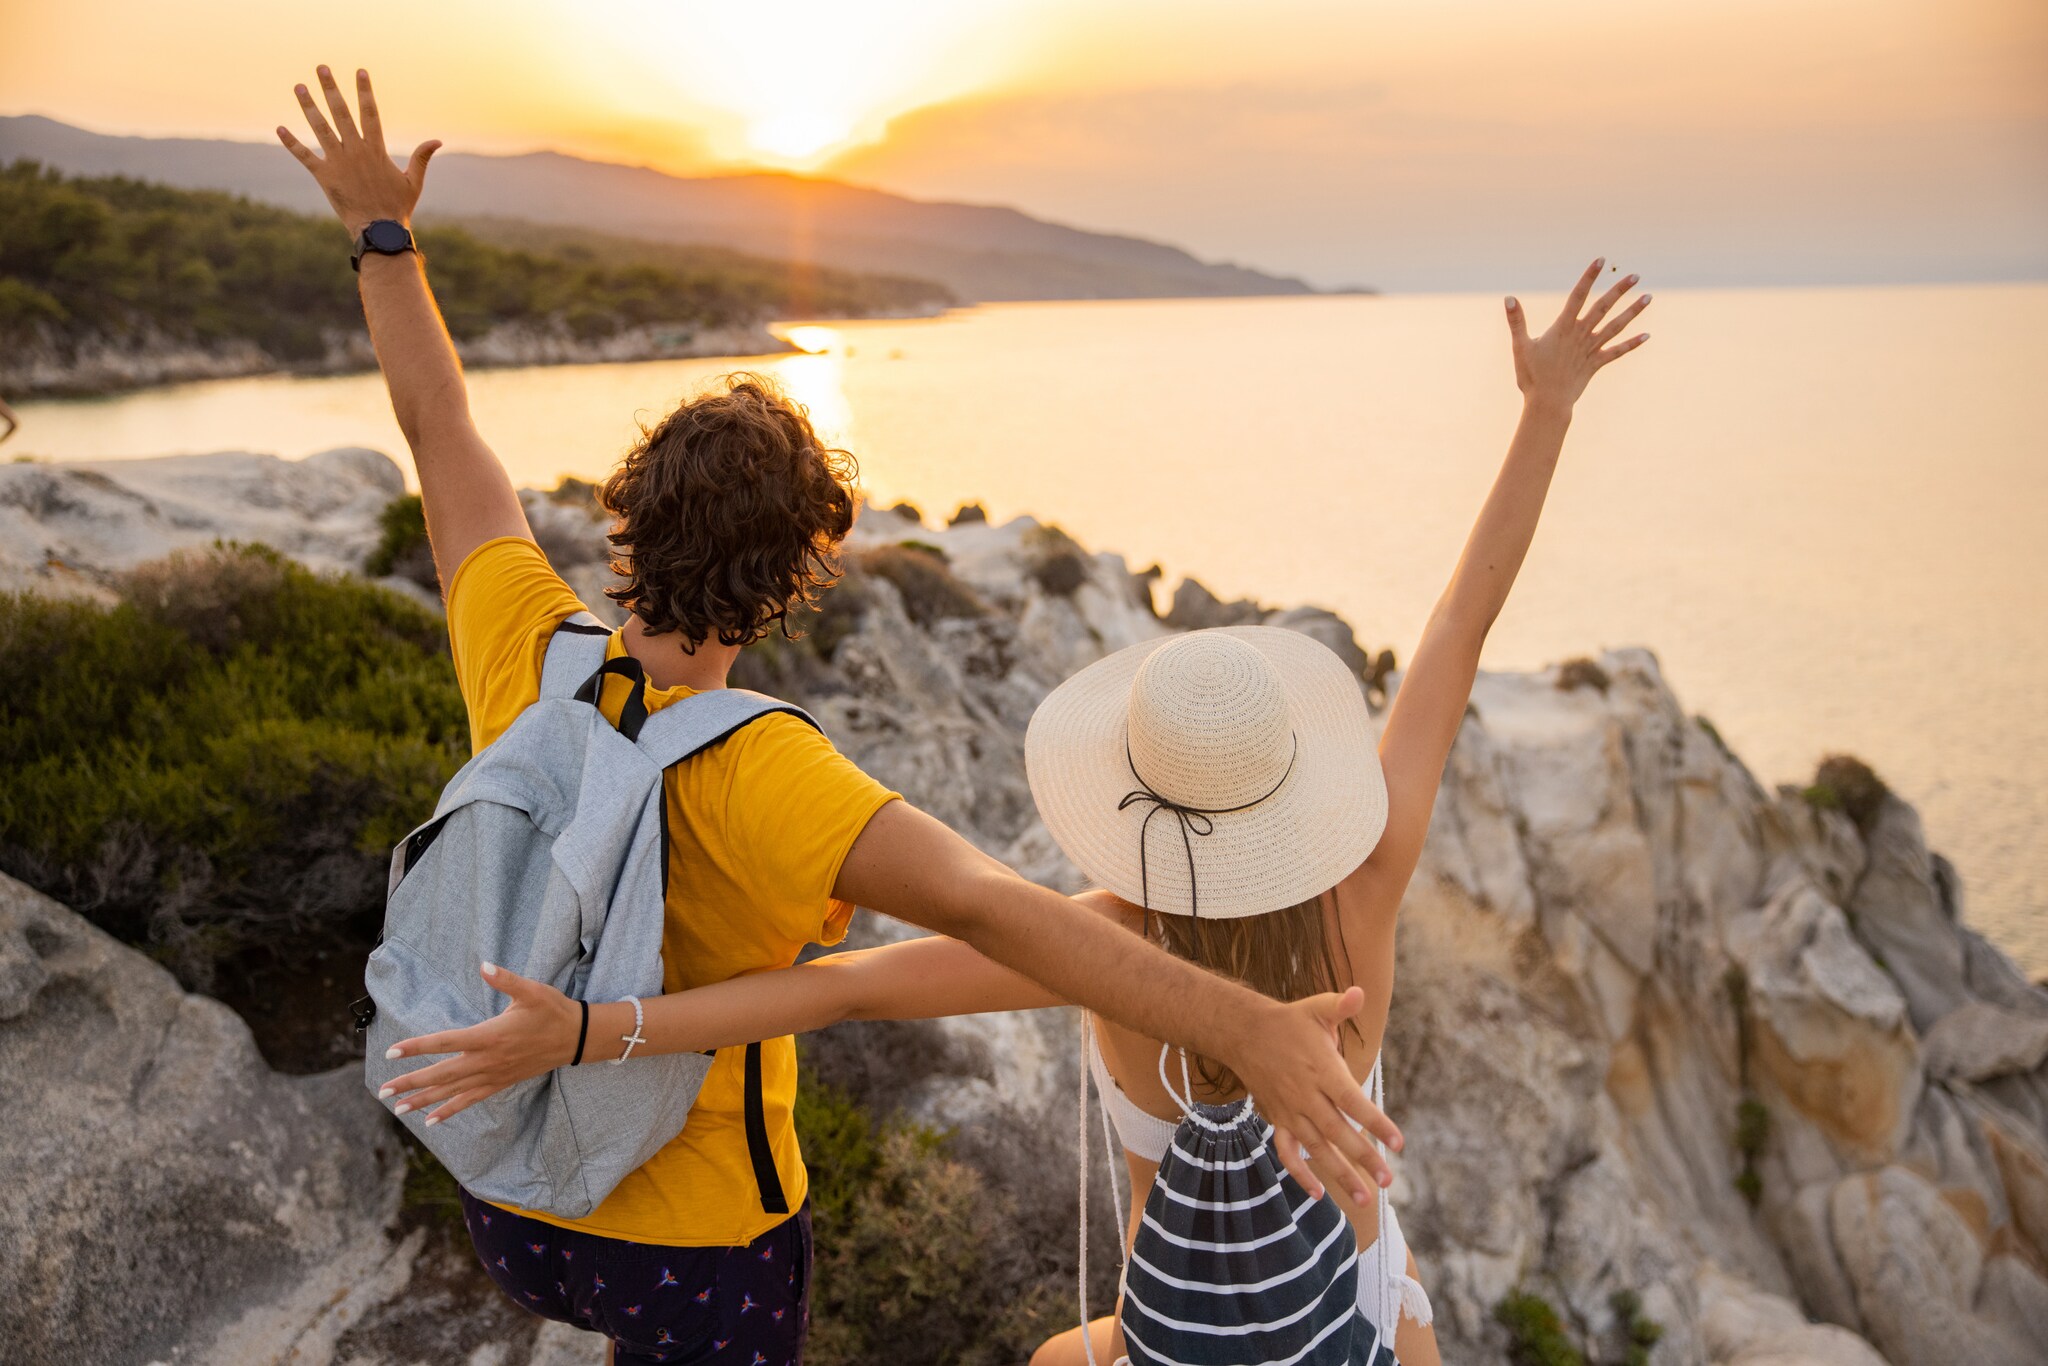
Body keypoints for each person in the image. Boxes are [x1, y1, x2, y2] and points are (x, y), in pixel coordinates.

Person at [277, 65, 1400, 1365]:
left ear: (626, 515)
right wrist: (1244, 1023)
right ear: (795, 578)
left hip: (509, 1197)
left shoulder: (526, 647)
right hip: (691, 1241)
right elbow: (999, 910)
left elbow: (440, 426)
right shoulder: (777, 775)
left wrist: (383, 236)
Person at [383, 248, 1651, 1364]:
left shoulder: (1101, 942)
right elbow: (1458, 622)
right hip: (1336, 1308)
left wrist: (597, 1030)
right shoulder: (1360, 893)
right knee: (1399, 1287)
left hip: (1147, 1331)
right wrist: (1544, 407)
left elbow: (844, 989)